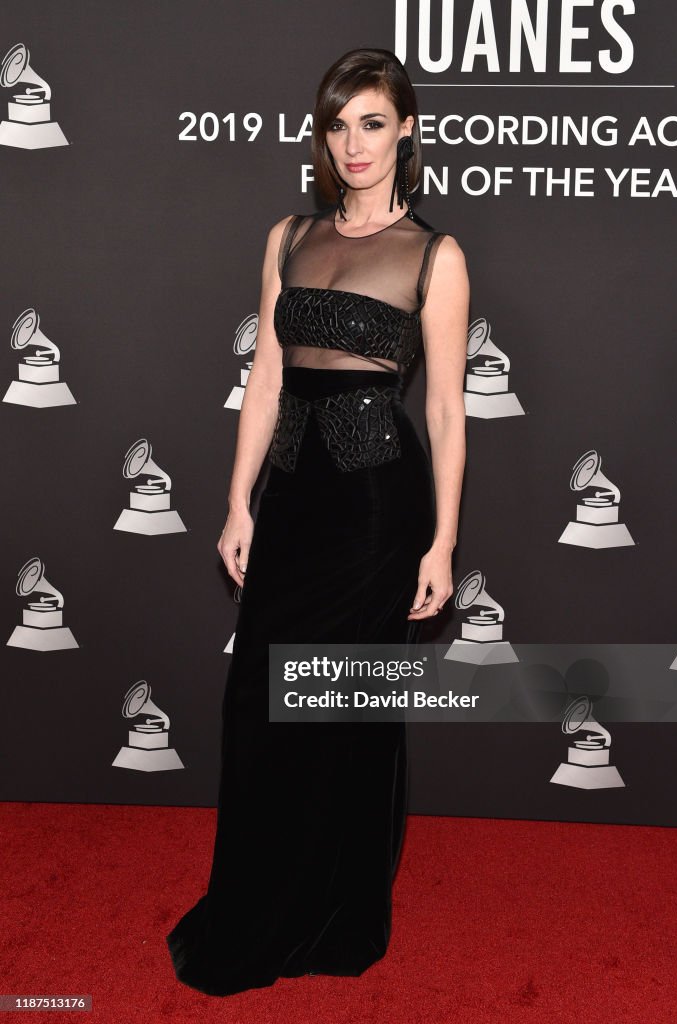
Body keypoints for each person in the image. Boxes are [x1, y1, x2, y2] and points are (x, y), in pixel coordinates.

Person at [166, 46, 468, 996]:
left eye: (372, 122)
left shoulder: (434, 254)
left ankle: (338, 917)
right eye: (339, 125)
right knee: (260, 707)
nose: (354, 144)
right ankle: (258, 904)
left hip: (378, 510)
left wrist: (442, 541)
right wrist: (234, 500)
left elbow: (449, 409)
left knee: (346, 715)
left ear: (406, 128)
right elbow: (263, 378)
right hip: (293, 500)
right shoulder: (287, 236)